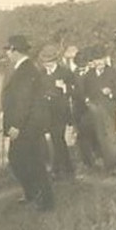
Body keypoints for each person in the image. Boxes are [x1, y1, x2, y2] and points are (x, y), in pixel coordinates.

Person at [1, 35, 54, 211]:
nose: (7, 53)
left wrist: (16, 125)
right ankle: (33, 193)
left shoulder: (25, 70)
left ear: (14, 50)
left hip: (27, 126)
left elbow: (24, 100)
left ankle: (44, 200)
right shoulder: (23, 68)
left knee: (29, 162)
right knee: (20, 160)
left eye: (8, 50)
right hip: (27, 124)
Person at [38, 44, 75, 179]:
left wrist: (65, 87)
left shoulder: (65, 72)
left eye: (49, 62)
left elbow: (75, 90)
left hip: (61, 110)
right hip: (46, 111)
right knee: (55, 139)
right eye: (44, 62)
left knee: (57, 137)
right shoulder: (41, 74)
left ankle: (56, 169)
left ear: (55, 61)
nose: (47, 65)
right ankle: (68, 167)